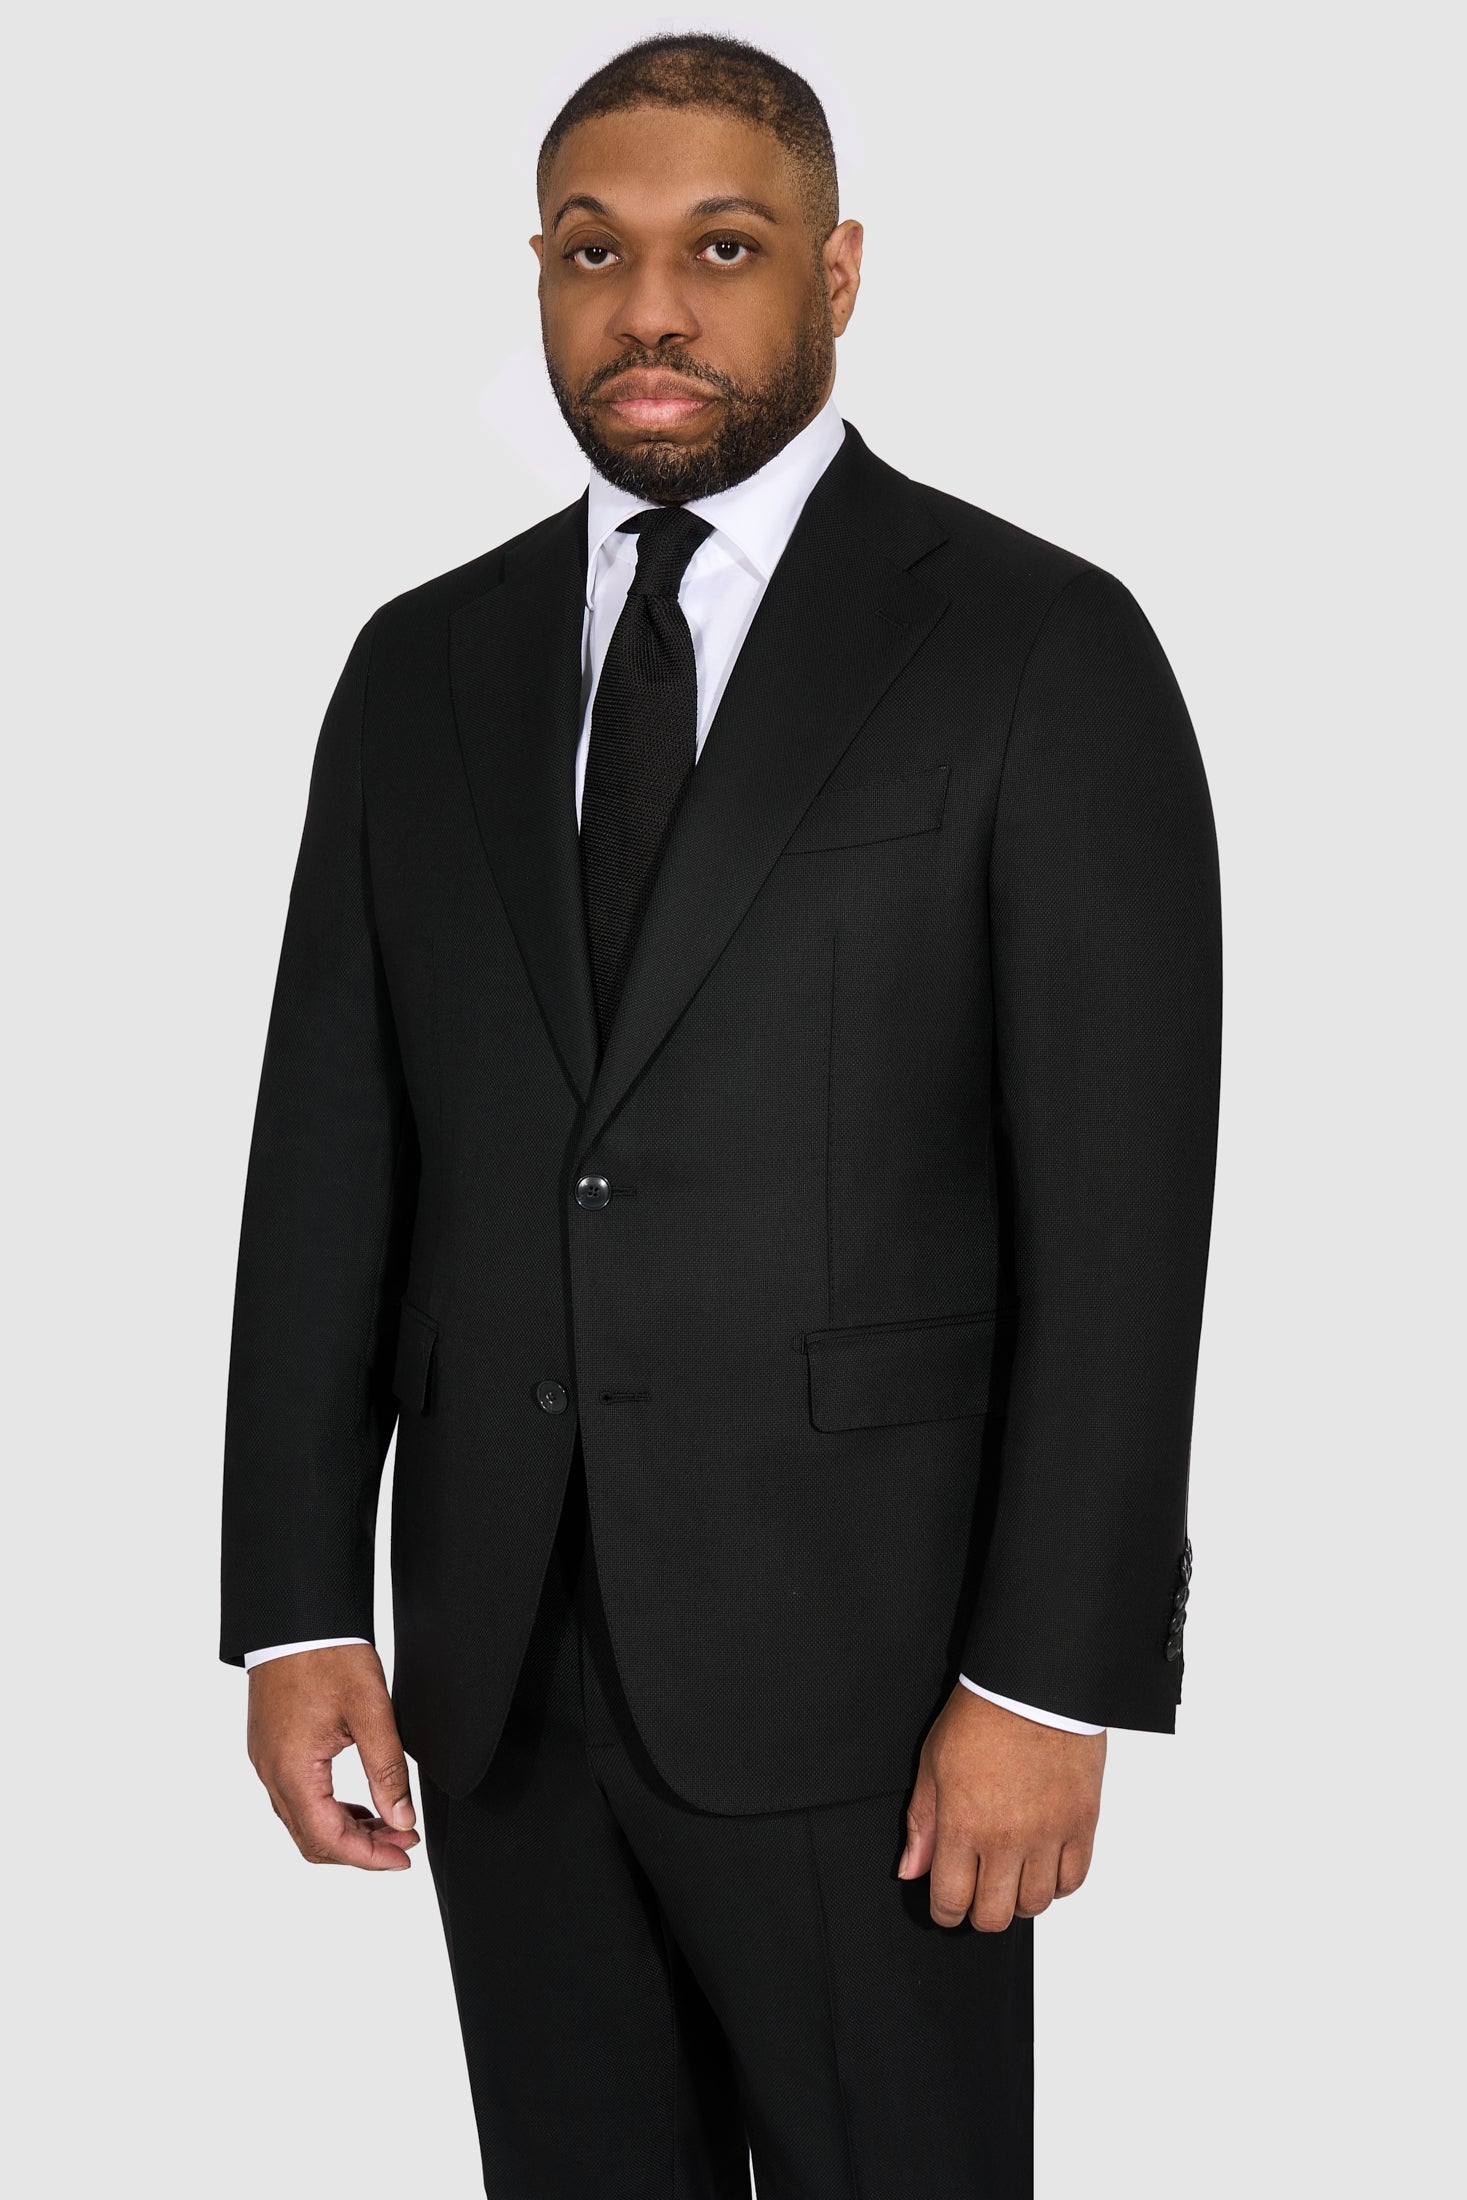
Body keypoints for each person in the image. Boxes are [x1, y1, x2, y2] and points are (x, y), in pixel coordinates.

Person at [221, 32, 1222, 2196]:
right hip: (500, 1673)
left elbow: (1122, 1219)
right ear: (539, 273)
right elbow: (328, 1164)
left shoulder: (1034, 647)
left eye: (725, 248)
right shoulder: (419, 668)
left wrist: (1049, 1680)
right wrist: (300, 1607)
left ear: (836, 273)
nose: (650, 308)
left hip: (877, 1678)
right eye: (594, 252)